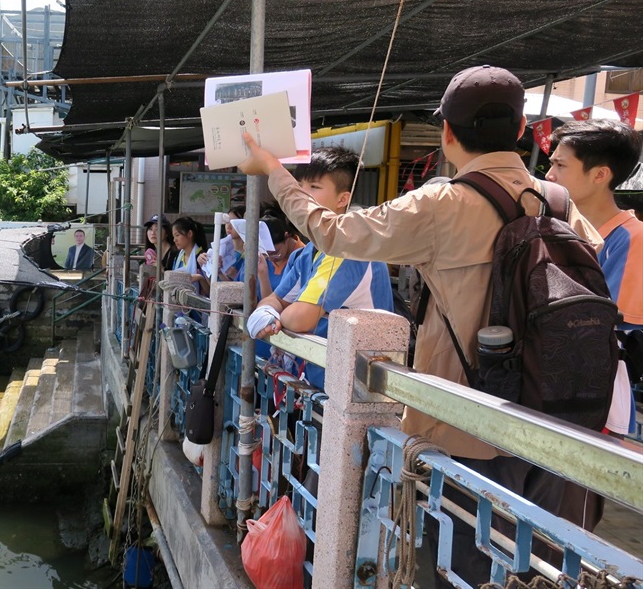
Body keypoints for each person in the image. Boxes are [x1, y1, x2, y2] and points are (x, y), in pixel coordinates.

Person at [239, 65, 603, 587]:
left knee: (457, 565)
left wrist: (273, 168)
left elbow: (334, 232)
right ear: (523, 129)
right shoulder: (561, 202)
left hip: (466, 426)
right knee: (530, 565)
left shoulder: (441, 202)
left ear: (447, 134)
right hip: (553, 425)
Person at [545, 118, 643, 532]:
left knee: (569, 520)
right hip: (550, 391)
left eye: (560, 165)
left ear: (600, 174)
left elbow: (619, 330)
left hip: (593, 400)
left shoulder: (632, 239)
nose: (548, 174)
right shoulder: (559, 228)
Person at [247, 147, 394, 389]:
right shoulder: (307, 252)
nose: (301, 195)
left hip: (351, 391)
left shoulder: (349, 248)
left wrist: (277, 318)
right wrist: (269, 311)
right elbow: (273, 299)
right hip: (315, 383)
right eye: (299, 185)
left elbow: (300, 319)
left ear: (343, 199)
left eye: (314, 187)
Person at [171, 217, 209, 293]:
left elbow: (209, 291)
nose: (174, 240)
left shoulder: (202, 257)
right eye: (173, 236)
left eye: (177, 235)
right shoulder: (178, 256)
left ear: (189, 234)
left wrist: (200, 278)